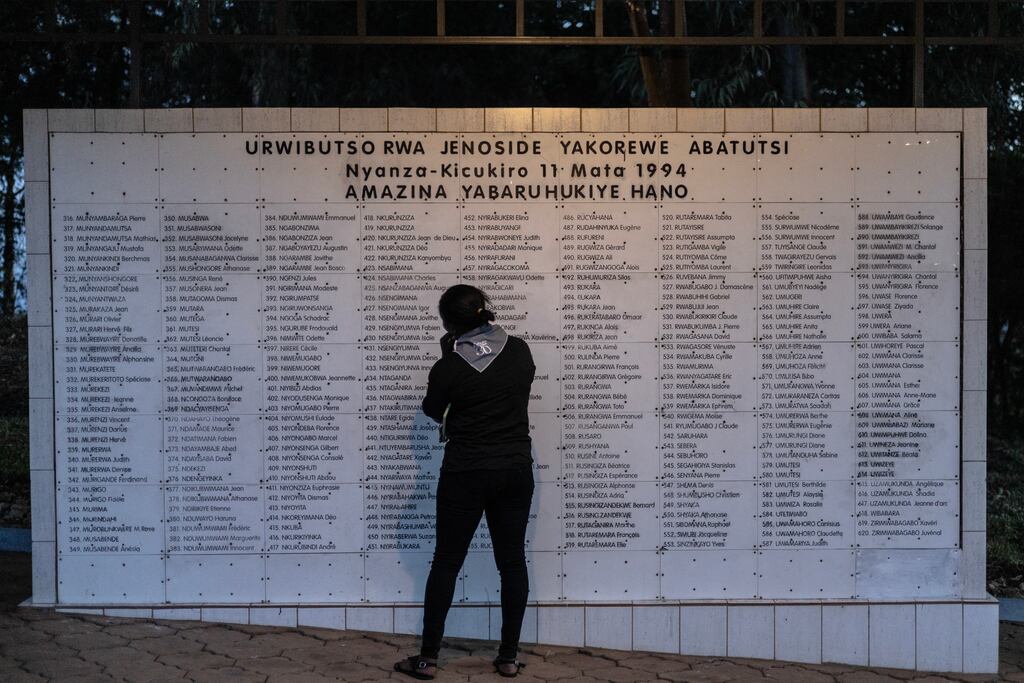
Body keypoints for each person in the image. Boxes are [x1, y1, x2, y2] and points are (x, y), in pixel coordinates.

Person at [394, 284, 537, 680]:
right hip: (514, 468)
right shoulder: (521, 350)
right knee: (512, 562)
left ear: (449, 323)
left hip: (466, 471)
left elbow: (432, 410)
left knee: (446, 561)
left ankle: (427, 659)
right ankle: (508, 657)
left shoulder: (449, 367)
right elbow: (514, 388)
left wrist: (449, 357)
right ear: (484, 311)